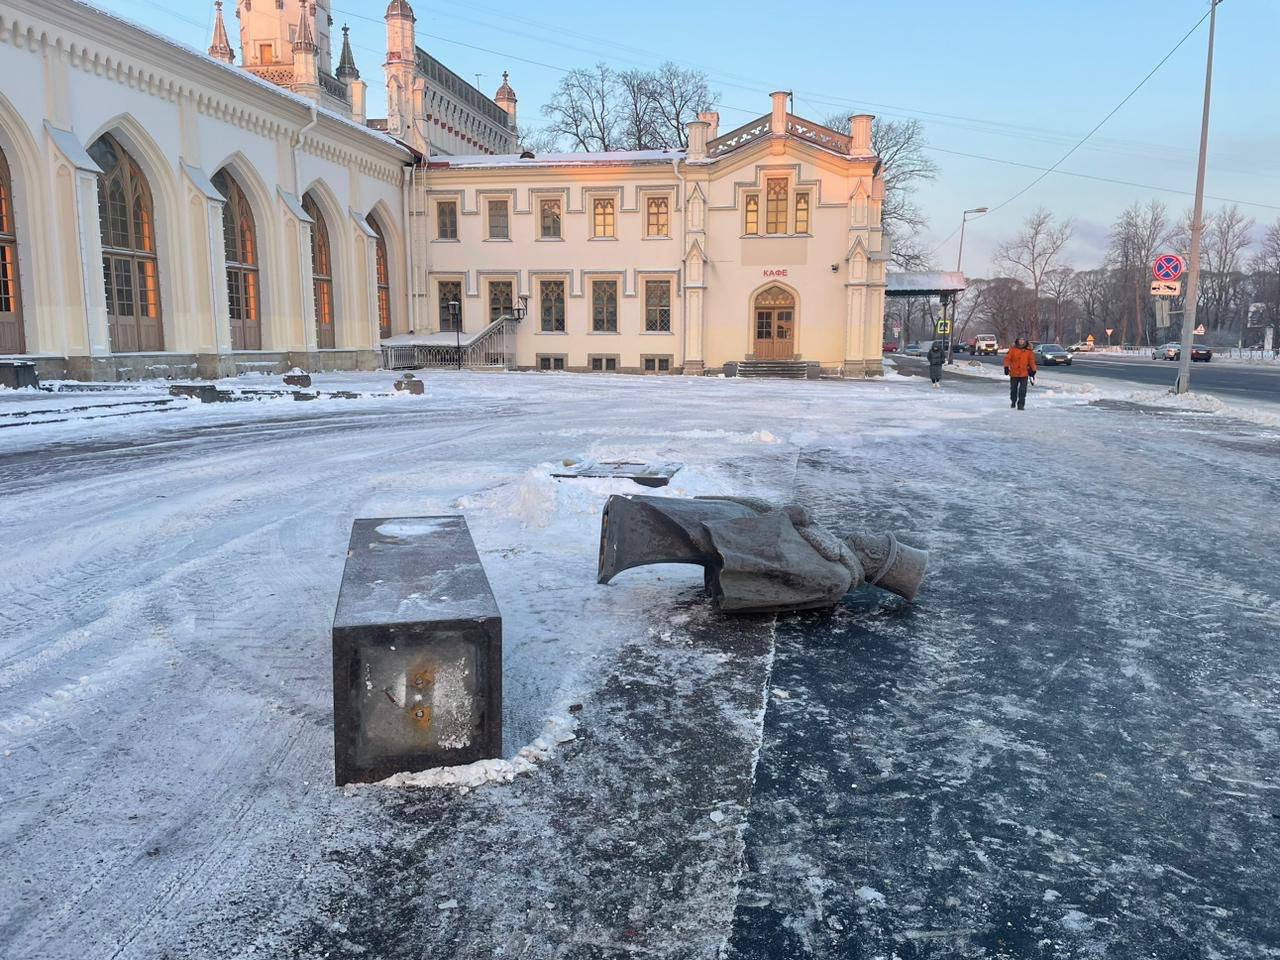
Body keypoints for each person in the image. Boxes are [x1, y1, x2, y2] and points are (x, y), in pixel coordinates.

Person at [1004, 336, 1037, 410]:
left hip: (1024, 373)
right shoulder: (1012, 350)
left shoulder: (1029, 351)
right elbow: (1007, 358)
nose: (1021, 341)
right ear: (1017, 341)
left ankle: (1021, 404)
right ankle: (1013, 401)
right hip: (1014, 373)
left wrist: (1033, 370)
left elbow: (1032, 361)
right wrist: (1006, 367)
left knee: (1023, 390)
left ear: (1025, 341)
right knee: (1013, 389)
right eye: (1020, 340)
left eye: (1023, 340)